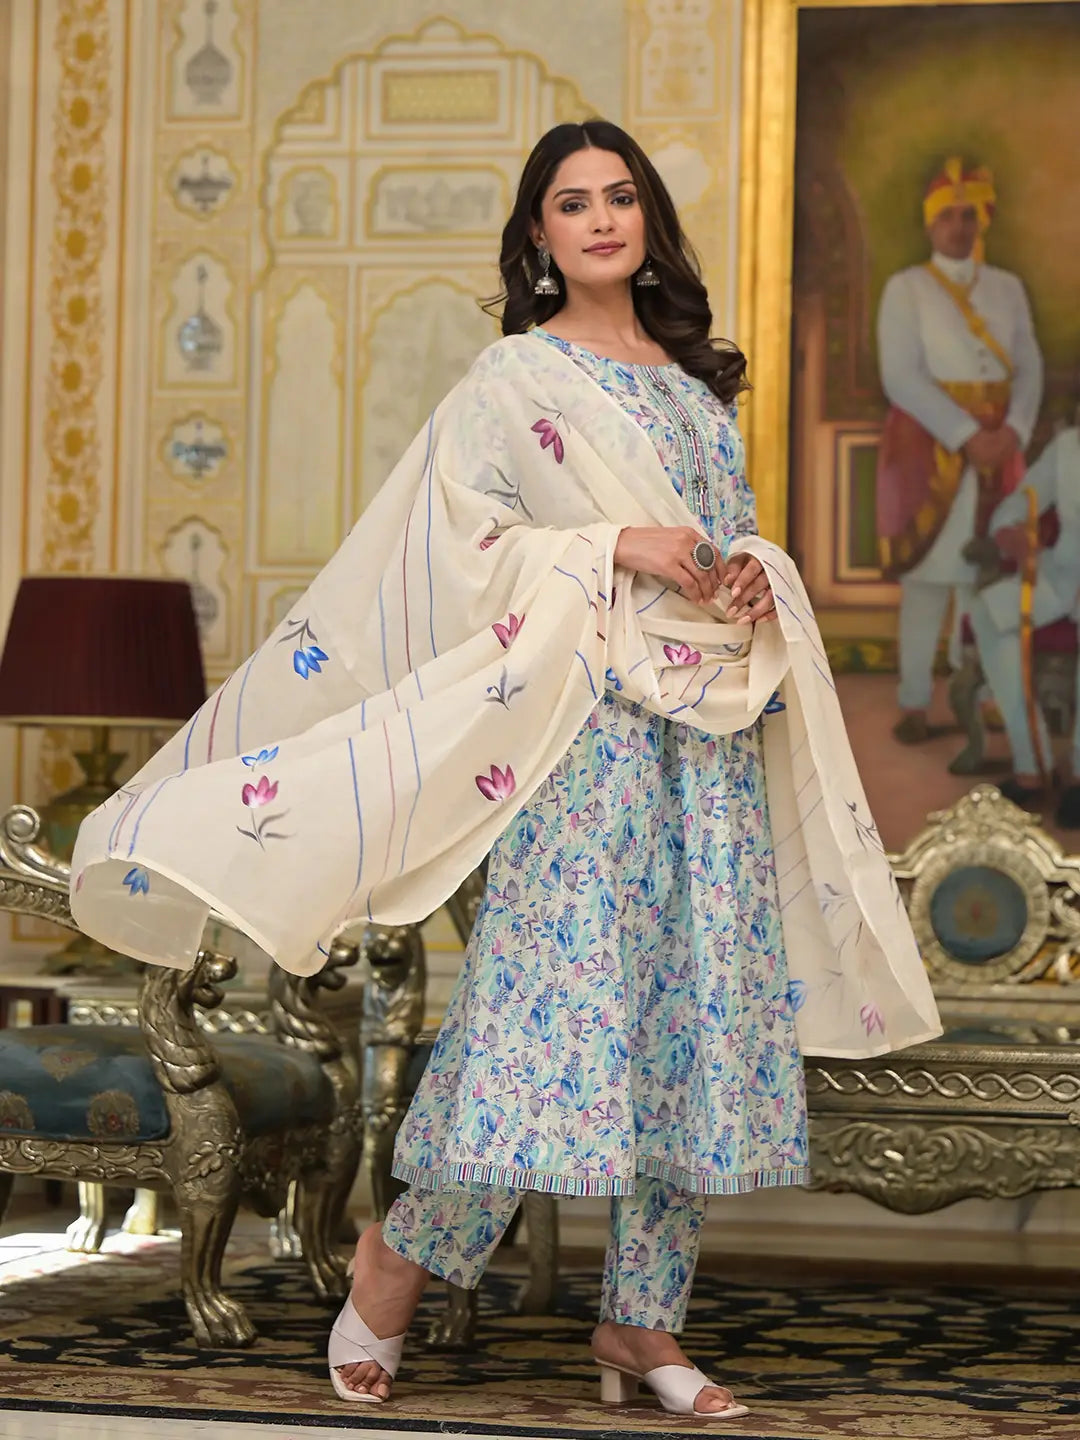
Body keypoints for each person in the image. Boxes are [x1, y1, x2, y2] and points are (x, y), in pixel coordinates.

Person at [69, 122, 941, 1421]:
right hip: (583, 744)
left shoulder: (696, 386)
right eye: (573, 203)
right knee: (538, 1028)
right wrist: (613, 545)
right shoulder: (513, 380)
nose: (602, 219)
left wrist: (754, 576)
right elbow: (460, 554)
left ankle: (642, 1322)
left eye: (621, 196)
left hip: (707, 746)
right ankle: (396, 1259)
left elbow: (727, 542)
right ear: (540, 233)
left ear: (648, 219)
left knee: (693, 1024)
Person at [876, 157, 1043, 745]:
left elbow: (1028, 367)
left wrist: (1013, 431)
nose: (958, 227)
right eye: (947, 216)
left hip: (1001, 449)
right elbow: (901, 376)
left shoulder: (1007, 289)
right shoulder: (907, 289)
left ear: (982, 221)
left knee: (986, 578)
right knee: (927, 581)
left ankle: (988, 694)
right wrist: (967, 436)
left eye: (968, 215)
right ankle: (916, 700)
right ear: (930, 223)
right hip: (930, 446)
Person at [966, 425, 1080, 825]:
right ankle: (1033, 765)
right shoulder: (1068, 445)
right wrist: (1011, 531)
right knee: (988, 613)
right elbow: (1020, 500)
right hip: (1062, 576)